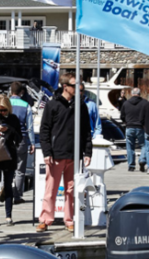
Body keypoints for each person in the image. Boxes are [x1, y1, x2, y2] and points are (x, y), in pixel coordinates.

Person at [38, 73, 92, 233]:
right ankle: (45, 220)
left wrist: (87, 151)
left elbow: (86, 130)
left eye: (79, 85)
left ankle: (69, 220)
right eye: (75, 85)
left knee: (72, 190)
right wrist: (47, 152)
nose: (79, 88)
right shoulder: (52, 104)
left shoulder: (80, 105)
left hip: (74, 154)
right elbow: (44, 129)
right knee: (51, 189)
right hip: (55, 154)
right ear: (65, 86)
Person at [0, 95, 22, 226]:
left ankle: (8, 216)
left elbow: (19, 137)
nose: (2, 113)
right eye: (0, 110)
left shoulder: (13, 119)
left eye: (4, 110)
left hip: (9, 155)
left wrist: (9, 129)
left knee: (8, 186)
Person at [10, 81, 35, 206]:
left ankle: (7, 192)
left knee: (7, 168)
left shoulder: (5, 103)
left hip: (7, 140)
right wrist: (32, 143)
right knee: (20, 169)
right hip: (21, 139)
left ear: (11, 91)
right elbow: (29, 127)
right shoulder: (26, 106)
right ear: (22, 92)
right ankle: (17, 195)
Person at [120, 88, 148, 172]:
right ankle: (142, 159)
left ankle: (131, 165)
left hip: (129, 127)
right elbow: (147, 115)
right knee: (144, 145)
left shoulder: (126, 103)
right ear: (139, 94)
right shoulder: (145, 103)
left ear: (132, 94)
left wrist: (126, 122)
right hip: (141, 127)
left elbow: (122, 116)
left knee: (130, 147)